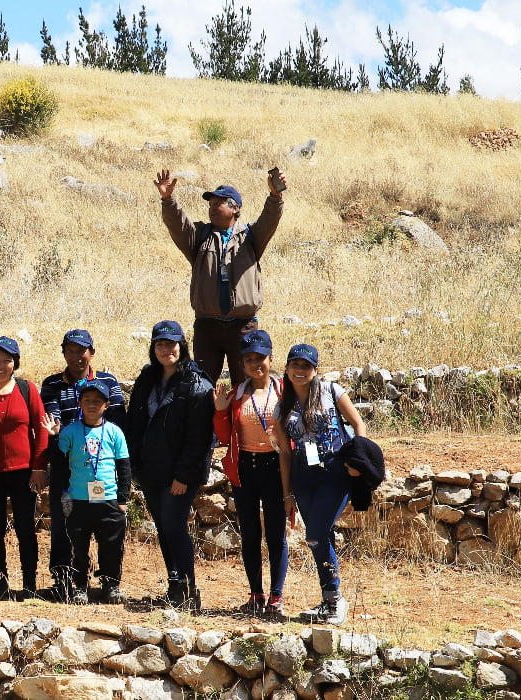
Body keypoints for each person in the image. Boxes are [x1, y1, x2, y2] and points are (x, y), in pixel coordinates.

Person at [155, 168, 286, 387]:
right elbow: (178, 225)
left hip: (243, 326)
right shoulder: (200, 236)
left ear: (235, 208)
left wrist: (275, 196)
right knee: (201, 386)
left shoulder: (250, 236)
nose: (213, 208)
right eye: (211, 204)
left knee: (245, 386)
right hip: (207, 326)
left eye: (219, 203)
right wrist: (168, 200)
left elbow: (269, 220)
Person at [271, 343, 368, 626]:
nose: (300, 371)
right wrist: (287, 493)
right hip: (304, 476)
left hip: (335, 471)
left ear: (315, 370)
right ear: (287, 368)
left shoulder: (331, 391)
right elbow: (285, 452)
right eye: (295, 365)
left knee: (315, 534)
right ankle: (329, 601)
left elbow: (358, 424)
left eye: (306, 366)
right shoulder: (282, 406)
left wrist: (358, 460)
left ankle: (336, 601)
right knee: (319, 538)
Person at [125, 320, 214, 611]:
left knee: (174, 524)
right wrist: (135, 465)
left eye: (171, 344)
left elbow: (200, 438)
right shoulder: (147, 378)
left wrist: (183, 475)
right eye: (160, 344)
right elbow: (135, 421)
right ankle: (175, 585)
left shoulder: (197, 384)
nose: (166, 350)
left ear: (182, 346)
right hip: (151, 469)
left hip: (180, 473)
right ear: (153, 348)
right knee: (164, 526)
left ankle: (189, 589)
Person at [38, 328, 128, 601]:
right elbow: (53, 422)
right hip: (67, 467)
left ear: (92, 352)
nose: (76, 356)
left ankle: (108, 582)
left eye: (82, 351)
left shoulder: (108, 381)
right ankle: (66, 582)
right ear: (64, 353)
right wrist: (68, 437)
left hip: (101, 474)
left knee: (107, 534)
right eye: (71, 351)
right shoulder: (52, 384)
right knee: (65, 529)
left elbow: (117, 420)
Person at [0, 337, 53, 601]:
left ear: (15, 364)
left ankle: (29, 584)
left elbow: (42, 430)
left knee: (26, 529)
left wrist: (39, 468)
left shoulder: (27, 390)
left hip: (23, 473)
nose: (1, 365)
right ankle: (0, 583)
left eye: (7, 360)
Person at [212, 330, 288, 618]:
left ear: (271, 358)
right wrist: (221, 411)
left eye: (260, 358)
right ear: (242, 364)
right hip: (245, 468)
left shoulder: (284, 391)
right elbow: (223, 436)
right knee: (250, 534)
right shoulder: (236, 394)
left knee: (276, 535)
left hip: (275, 468)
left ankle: (276, 597)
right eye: (249, 359)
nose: (256, 364)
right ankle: (256, 595)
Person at [49, 382, 132, 605]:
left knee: (111, 546)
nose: (92, 405)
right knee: (79, 548)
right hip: (79, 500)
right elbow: (58, 463)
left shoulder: (114, 432)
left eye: (97, 401)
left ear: (106, 405)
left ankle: (110, 585)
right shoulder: (70, 431)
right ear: (80, 403)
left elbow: (124, 467)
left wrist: (123, 498)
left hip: (109, 499)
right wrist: (53, 438)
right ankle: (80, 587)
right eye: (87, 400)